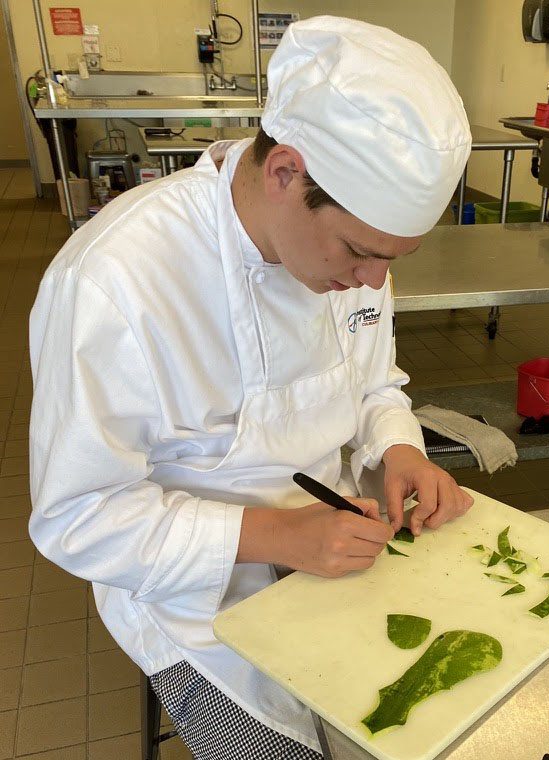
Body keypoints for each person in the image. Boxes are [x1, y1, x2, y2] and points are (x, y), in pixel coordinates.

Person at [28, 15, 473, 760]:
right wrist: (274, 536)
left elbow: (375, 385)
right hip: (193, 602)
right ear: (285, 173)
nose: (373, 281)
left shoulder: (354, 260)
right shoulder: (117, 281)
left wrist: (399, 449)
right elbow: (79, 515)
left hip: (342, 547)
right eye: (362, 252)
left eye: (393, 259)